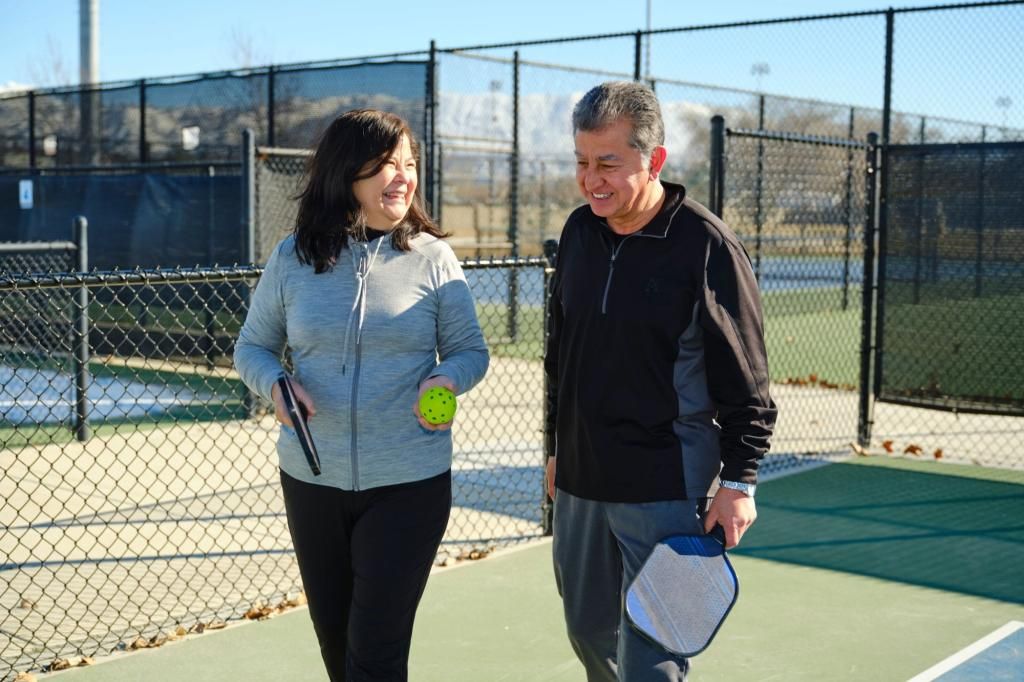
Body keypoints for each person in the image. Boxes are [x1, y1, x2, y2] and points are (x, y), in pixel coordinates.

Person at [234, 109, 489, 681]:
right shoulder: (291, 258)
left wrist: (447, 380)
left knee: (373, 653)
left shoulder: (432, 258)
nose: (403, 176)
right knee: (338, 648)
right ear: (347, 172)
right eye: (386, 165)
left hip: (409, 484)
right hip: (311, 482)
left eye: (410, 164)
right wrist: (275, 384)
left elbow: (471, 351)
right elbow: (252, 347)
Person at [544, 81, 777, 681]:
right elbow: (559, 356)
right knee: (588, 633)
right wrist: (555, 450)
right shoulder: (576, 233)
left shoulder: (706, 246)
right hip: (581, 483)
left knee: (654, 656)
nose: (592, 179)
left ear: (655, 160)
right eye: (582, 162)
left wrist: (740, 480)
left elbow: (747, 380)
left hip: (666, 488)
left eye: (609, 164)